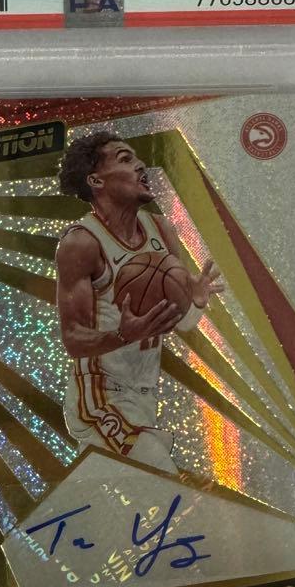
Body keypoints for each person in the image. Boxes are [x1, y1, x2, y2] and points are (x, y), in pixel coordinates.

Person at [55, 130, 223, 473]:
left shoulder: (161, 229)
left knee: (130, 489)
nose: (141, 164)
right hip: (99, 397)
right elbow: (73, 339)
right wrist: (123, 335)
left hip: (143, 395)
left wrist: (195, 300)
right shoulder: (82, 243)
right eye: (125, 159)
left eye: (136, 157)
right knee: (162, 475)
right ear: (96, 181)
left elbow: (180, 322)